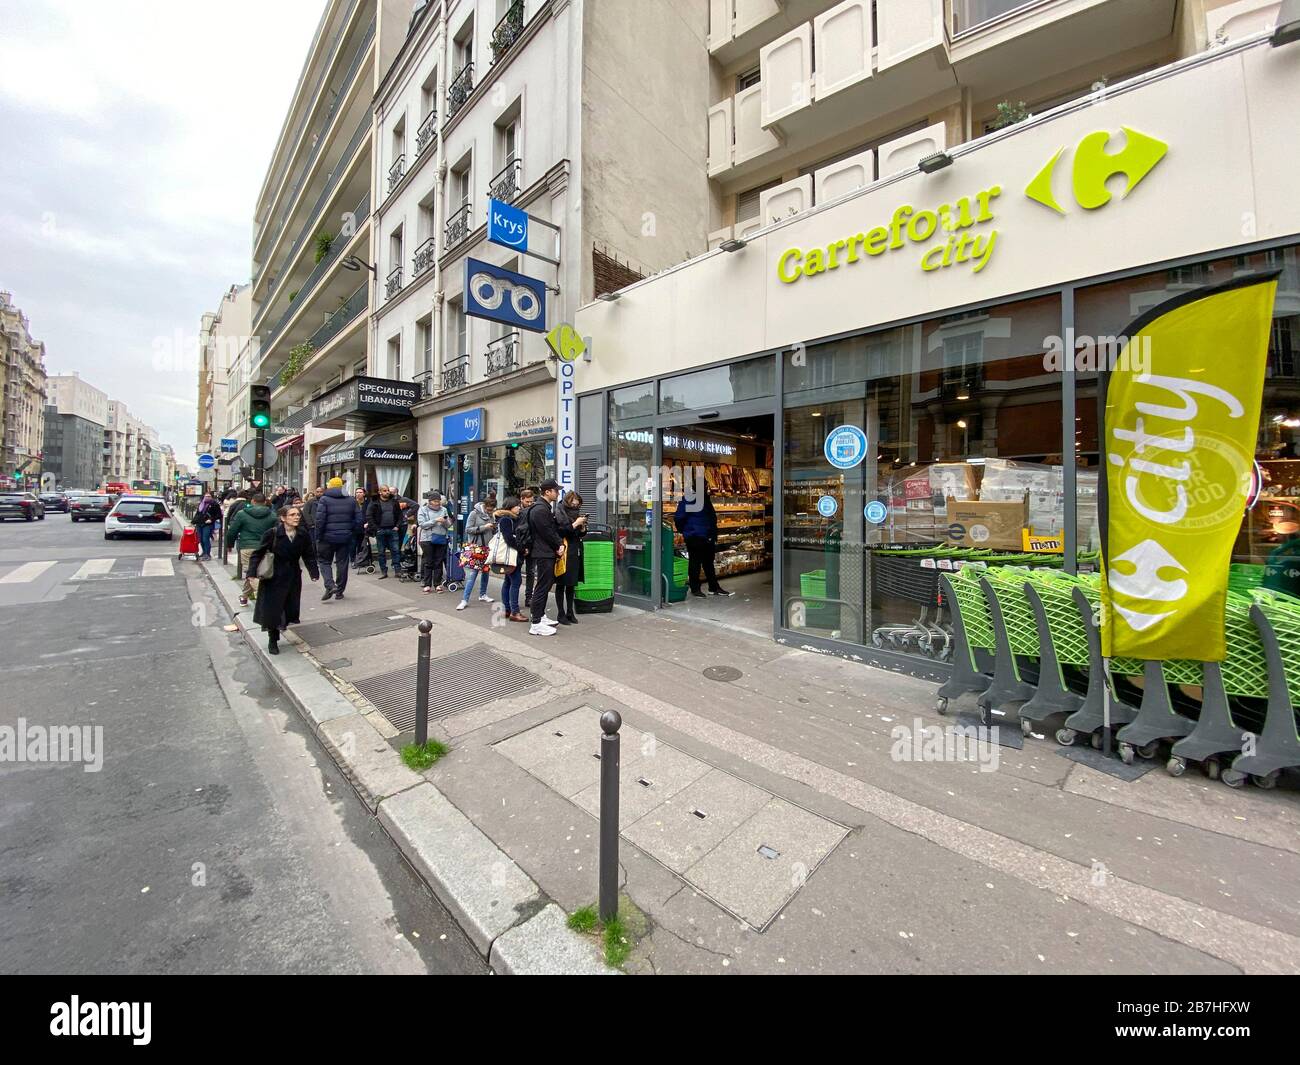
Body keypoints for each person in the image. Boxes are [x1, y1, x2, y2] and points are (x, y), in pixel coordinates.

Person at [247, 504, 320, 655]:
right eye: (292, 515)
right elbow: (258, 553)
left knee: (288, 607)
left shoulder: (302, 534)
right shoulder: (272, 533)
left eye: (298, 515)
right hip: (274, 576)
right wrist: (252, 572)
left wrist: (314, 572)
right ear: (283, 518)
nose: (296, 517)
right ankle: (272, 639)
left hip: (293, 575)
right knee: (273, 609)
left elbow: (308, 554)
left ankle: (282, 626)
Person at [674, 486, 732, 597]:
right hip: (695, 536)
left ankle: (713, 587)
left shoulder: (703, 499)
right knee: (696, 563)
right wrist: (686, 530)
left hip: (706, 536)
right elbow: (679, 517)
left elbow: (710, 517)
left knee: (707, 563)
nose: (706, 488)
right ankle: (696, 589)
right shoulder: (691, 499)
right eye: (705, 486)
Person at [526, 480, 566, 636]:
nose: (557, 493)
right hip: (544, 552)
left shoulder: (541, 508)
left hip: (543, 551)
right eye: (556, 490)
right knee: (543, 586)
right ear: (548, 492)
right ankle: (536, 624)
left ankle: (540, 616)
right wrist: (558, 545)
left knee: (544, 585)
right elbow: (547, 532)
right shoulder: (541, 510)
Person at [224, 491, 278, 606]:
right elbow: (276, 532)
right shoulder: (272, 515)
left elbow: (232, 531)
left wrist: (229, 544)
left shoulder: (242, 514)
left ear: (252, 501)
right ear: (264, 502)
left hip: (247, 547)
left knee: (251, 573)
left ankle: (261, 596)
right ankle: (244, 596)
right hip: (265, 548)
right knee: (256, 572)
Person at [315, 476, 362, 601]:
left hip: (327, 537)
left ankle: (330, 585)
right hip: (345, 537)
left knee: (324, 562)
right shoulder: (351, 500)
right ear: (342, 487)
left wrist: (318, 536)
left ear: (329, 486)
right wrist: (351, 532)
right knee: (342, 563)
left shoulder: (324, 499)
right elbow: (359, 519)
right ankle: (339, 591)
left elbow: (320, 520)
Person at [457, 493, 497, 610]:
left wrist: (494, 527)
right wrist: (485, 527)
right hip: (477, 548)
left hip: (488, 547)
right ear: (484, 505)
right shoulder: (474, 513)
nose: (490, 511)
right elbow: (468, 529)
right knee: (473, 574)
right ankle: (464, 600)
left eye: (492, 510)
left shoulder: (491, 515)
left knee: (486, 572)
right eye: (489, 509)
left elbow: (492, 531)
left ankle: (483, 594)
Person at [553, 491, 587, 625]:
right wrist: (575, 524)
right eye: (574, 500)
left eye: (578, 500)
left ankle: (570, 612)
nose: (576, 503)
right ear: (568, 500)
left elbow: (580, 534)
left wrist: (583, 527)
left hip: (575, 550)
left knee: (571, 583)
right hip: (564, 550)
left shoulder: (576, 513)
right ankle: (560, 613)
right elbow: (560, 532)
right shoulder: (560, 512)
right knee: (561, 583)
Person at [494, 496, 527, 621]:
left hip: (510, 556)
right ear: (510, 507)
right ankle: (514, 611)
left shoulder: (505, 519)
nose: (519, 507)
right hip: (511, 556)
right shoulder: (506, 520)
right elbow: (509, 539)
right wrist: (522, 549)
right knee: (515, 582)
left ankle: (507, 609)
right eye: (517, 506)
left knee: (508, 581)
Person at [417, 490, 452, 592]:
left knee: (438, 561)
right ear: (430, 501)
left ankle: (437, 584)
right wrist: (436, 520)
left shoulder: (444, 509)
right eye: (435, 501)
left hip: (440, 537)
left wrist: (445, 521)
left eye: (438, 501)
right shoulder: (423, 510)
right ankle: (427, 584)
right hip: (427, 539)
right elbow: (422, 524)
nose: (437, 503)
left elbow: (448, 525)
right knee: (429, 562)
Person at [368, 485, 404, 578]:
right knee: (381, 552)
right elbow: (369, 517)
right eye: (384, 490)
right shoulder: (374, 502)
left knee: (395, 550)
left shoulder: (394, 502)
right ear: (380, 492)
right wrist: (376, 529)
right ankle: (384, 571)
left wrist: (397, 526)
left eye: (388, 490)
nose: (387, 492)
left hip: (393, 529)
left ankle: (397, 570)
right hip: (381, 530)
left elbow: (400, 515)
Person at [518, 486, 537, 606]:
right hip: (520, 545)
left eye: (531, 501)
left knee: (530, 572)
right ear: (521, 499)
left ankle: (528, 597)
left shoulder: (533, 510)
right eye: (527, 501)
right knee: (515, 572)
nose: (529, 504)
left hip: (532, 545)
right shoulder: (517, 511)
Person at [193, 491, 222, 561]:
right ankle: (204, 552)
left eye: (209, 496)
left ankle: (207, 554)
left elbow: (219, 515)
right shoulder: (201, 504)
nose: (207, 498)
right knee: (200, 539)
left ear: (211, 497)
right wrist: (193, 522)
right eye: (206, 496)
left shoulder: (215, 504)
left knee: (205, 538)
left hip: (208, 524)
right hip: (199, 523)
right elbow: (198, 513)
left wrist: (211, 519)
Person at [351, 487, 370, 561]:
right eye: (357, 492)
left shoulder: (368, 503)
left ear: (364, 494)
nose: (358, 494)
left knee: (361, 545)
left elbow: (370, 514)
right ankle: (352, 560)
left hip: (364, 528)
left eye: (360, 492)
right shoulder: (352, 503)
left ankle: (360, 559)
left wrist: (368, 522)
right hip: (353, 527)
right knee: (352, 545)